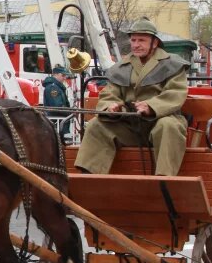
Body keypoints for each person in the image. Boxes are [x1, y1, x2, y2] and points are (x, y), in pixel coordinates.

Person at [75, 17, 188, 176]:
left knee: (167, 126)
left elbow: (175, 93)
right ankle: (89, 179)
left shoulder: (172, 64)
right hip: (131, 125)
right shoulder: (122, 66)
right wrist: (111, 106)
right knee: (96, 125)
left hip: (161, 121)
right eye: (133, 40)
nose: (135, 44)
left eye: (141, 40)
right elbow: (110, 92)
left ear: (154, 43)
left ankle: (164, 181)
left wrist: (151, 107)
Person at [41, 64, 74, 141]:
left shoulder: (56, 87)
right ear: (56, 75)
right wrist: (71, 112)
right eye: (63, 75)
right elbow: (57, 107)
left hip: (60, 123)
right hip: (57, 123)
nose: (65, 78)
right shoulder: (53, 87)